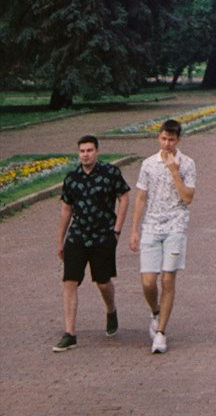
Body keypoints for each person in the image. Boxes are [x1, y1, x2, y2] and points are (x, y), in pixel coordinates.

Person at [54, 135, 130, 351]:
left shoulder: (110, 174)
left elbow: (124, 197)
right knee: (69, 281)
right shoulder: (72, 178)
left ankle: (111, 310)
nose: (85, 154)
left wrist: (117, 230)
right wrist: (60, 239)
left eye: (89, 150)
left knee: (103, 281)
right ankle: (70, 333)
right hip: (77, 236)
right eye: (82, 151)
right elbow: (66, 208)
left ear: (97, 151)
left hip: (102, 235)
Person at [129, 119, 196, 354]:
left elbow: (188, 197)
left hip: (175, 226)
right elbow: (140, 198)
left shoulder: (187, 164)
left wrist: (174, 172)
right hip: (151, 226)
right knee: (148, 281)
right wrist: (135, 230)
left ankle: (161, 333)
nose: (167, 144)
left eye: (171, 139)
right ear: (159, 138)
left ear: (178, 140)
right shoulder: (148, 164)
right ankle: (155, 312)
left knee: (168, 279)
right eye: (163, 138)